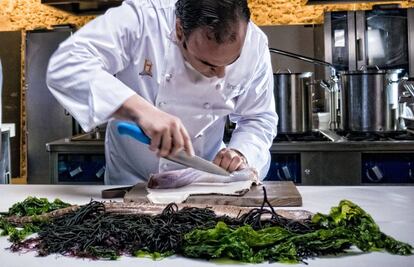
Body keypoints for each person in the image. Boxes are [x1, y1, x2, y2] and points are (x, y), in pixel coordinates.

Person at [47, 0, 278, 185]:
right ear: (179, 30)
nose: (220, 74)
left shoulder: (255, 44)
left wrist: (241, 151)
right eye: (208, 64)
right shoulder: (143, 17)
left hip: (204, 183)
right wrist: (141, 111)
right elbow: (66, 64)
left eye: (232, 61)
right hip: (132, 183)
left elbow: (257, 118)